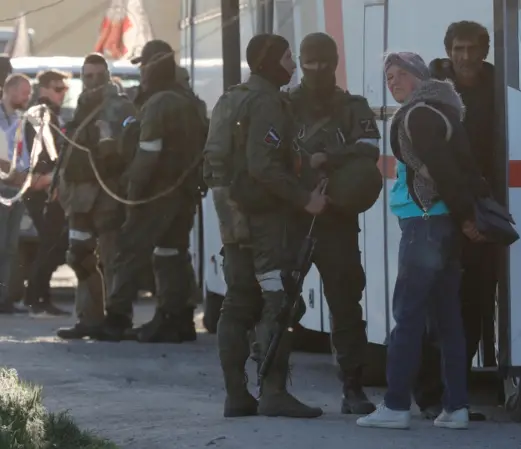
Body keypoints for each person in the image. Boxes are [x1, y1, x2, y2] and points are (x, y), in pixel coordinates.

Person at [357, 51, 489, 430]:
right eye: (388, 77)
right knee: (447, 319)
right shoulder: (446, 111)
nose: (392, 82)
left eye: (399, 75)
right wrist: (462, 218)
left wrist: (465, 217)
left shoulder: (418, 114)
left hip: (425, 223)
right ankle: (456, 408)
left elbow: (443, 173)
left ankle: (396, 405)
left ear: (418, 77)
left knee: (408, 316)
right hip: (441, 225)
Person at [205, 33, 326, 418]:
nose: (293, 64)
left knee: (237, 303)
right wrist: (304, 197)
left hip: (232, 218)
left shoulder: (231, 97)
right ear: (271, 60)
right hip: (264, 221)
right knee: (278, 301)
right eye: (288, 56)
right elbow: (263, 166)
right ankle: (273, 392)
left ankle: (236, 395)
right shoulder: (268, 102)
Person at [287, 32, 382, 414]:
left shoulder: (352, 105)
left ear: (335, 61)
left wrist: (328, 158)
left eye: (324, 62)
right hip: (293, 216)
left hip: (337, 219)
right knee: (278, 302)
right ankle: (271, 384)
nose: (317, 69)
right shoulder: (284, 105)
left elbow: (369, 149)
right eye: (310, 62)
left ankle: (353, 387)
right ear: (300, 61)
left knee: (345, 303)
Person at [415, 21, 498, 421]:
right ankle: (429, 395)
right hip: (443, 212)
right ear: (448, 51)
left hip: (484, 208)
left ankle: (456, 398)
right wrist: (464, 214)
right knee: (437, 307)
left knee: (474, 306)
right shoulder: (432, 94)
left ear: (485, 50)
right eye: (458, 49)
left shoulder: (502, 89)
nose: (465, 57)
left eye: (472, 49)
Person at [99, 40, 205, 343]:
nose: (141, 72)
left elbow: (148, 154)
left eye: (143, 65)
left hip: (155, 195)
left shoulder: (159, 104)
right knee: (172, 252)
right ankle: (177, 318)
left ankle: (116, 319)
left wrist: (131, 192)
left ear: (153, 66)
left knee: (129, 251)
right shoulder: (190, 101)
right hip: (183, 194)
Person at [55, 53, 136, 339]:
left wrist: (109, 143)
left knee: (113, 258)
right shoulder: (81, 105)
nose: (92, 81)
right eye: (87, 76)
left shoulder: (121, 106)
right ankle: (89, 319)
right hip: (78, 196)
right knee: (79, 256)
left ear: (107, 75)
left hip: (107, 194)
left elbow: (130, 150)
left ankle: (117, 319)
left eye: (98, 76)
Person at [22, 69, 72, 316]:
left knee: (53, 243)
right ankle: (36, 298)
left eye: (64, 89)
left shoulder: (50, 114)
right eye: (58, 88)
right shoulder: (39, 114)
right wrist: (48, 178)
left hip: (49, 186)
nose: (62, 94)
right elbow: (37, 151)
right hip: (42, 188)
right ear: (42, 89)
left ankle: (40, 296)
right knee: (51, 244)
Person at [0, 74, 49, 314]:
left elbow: (24, 154)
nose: (27, 97)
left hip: (17, 189)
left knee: (10, 246)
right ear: (9, 91)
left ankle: (4, 299)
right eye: (24, 92)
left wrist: (27, 176)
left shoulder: (21, 118)